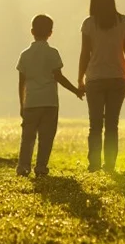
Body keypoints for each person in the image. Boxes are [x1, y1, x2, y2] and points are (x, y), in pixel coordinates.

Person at [16, 14, 84, 177]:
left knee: (27, 137)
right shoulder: (53, 53)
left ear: (32, 31)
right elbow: (58, 77)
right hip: (49, 102)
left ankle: (24, 167)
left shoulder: (25, 55)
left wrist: (22, 104)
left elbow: (21, 82)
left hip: (31, 102)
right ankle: (41, 167)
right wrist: (75, 90)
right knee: (46, 138)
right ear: (50, 33)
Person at [78, 0, 125, 172]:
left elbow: (85, 53)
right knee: (112, 124)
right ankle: (109, 164)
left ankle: (94, 164)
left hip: (95, 78)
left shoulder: (89, 24)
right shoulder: (123, 22)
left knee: (95, 125)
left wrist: (80, 78)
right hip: (118, 78)